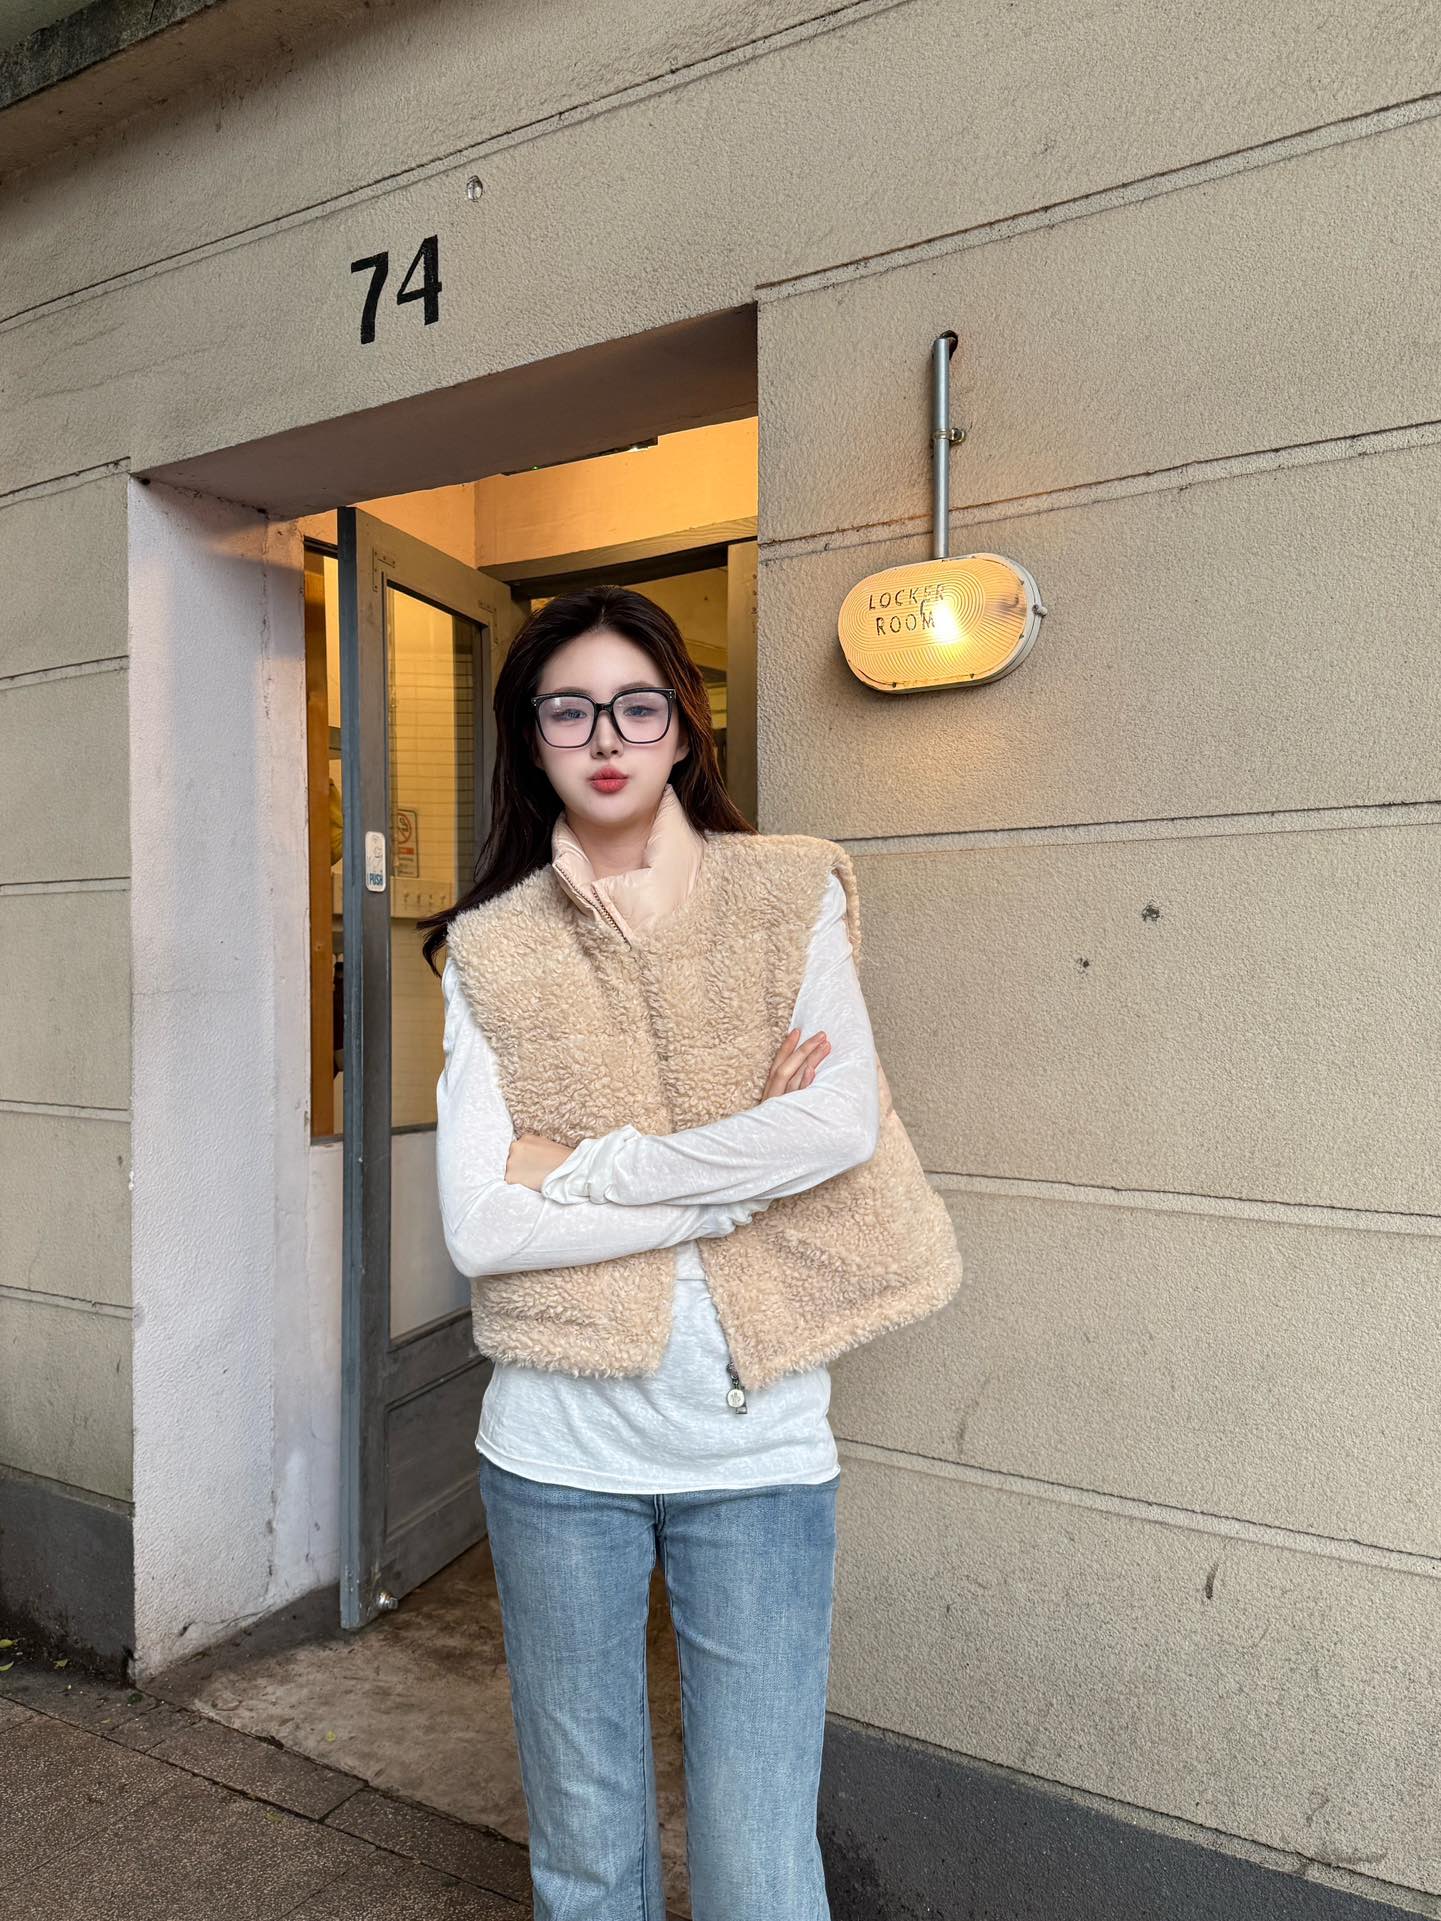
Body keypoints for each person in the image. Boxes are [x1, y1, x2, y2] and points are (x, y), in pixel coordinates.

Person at [423, 585, 963, 1921]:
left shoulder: (788, 890)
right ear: (530, 735)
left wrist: (588, 1167)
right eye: (569, 709)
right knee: (585, 1849)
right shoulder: (489, 948)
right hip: (555, 1455)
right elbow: (483, 1223)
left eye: (636, 704)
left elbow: (833, 1124)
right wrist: (729, 1185)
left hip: (757, 1450)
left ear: (682, 725)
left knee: (760, 1860)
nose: (605, 736)